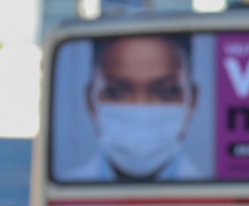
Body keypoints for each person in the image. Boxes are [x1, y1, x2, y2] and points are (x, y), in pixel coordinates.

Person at [64, 34, 203, 182]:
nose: (141, 108)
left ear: (192, 101)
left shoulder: (214, 200)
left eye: (166, 92)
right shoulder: (61, 197)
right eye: (116, 92)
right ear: (90, 101)